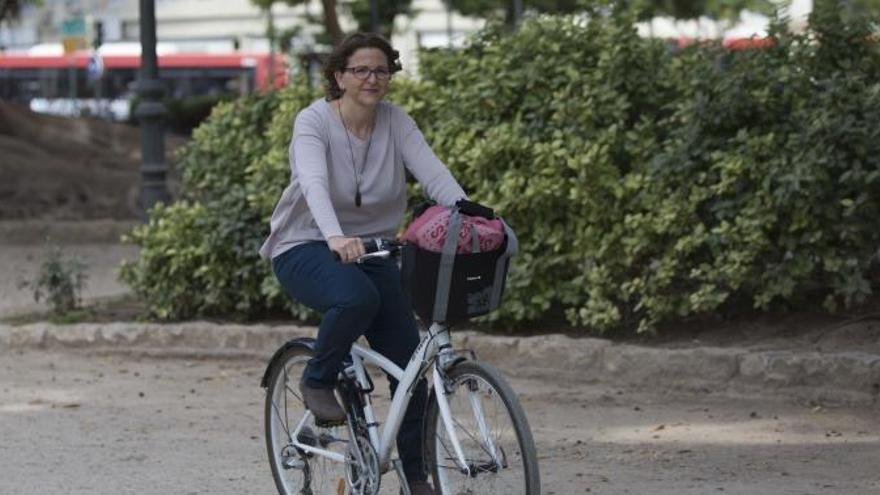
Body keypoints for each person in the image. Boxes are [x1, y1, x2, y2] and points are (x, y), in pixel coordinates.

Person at [259, 33, 466, 495]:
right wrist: (335, 236)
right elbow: (312, 183)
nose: (373, 79)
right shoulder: (313, 121)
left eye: (381, 70)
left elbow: (432, 172)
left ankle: (417, 478)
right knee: (355, 296)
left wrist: (471, 212)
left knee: (409, 365)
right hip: (306, 243)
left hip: (371, 249)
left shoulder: (396, 121)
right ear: (339, 77)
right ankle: (318, 379)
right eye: (361, 71)